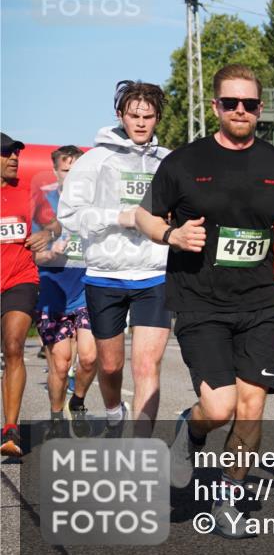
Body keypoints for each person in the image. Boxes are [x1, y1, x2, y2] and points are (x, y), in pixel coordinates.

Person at [136, 64, 274, 538]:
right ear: (216, 106)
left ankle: (227, 497)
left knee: (252, 406)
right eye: (231, 103)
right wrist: (171, 234)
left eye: (250, 104)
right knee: (218, 409)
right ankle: (191, 430)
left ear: (260, 109)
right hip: (200, 300)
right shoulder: (184, 161)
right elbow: (144, 216)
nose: (241, 111)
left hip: (259, 302)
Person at [58, 81, 172, 438]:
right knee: (109, 366)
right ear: (120, 115)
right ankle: (112, 411)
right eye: (134, 115)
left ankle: (139, 451)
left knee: (146, 365)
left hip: (154, 275)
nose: (140, 123)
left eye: (148, 116)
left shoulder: (168, 162)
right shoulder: (95, 160)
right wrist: (121, 216)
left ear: (157, 118)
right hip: (105, 275)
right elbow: (70, 214)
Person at [1, 132, 60, 456]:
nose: (13, 158)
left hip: (20, 280)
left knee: (13, 346)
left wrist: (45, 234)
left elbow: (55, 226)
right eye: (6, 153)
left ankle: (10, 429)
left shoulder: (26, 193)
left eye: (16, 153)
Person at [33, 146, 97, 438]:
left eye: (77, 171)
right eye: (66, 170)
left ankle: (79, 402)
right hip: (53, 292)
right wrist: (51, 253)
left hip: (87, 291)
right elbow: (34, 256)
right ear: (56, 172)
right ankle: (57, 417)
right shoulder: (44, 205)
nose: (71, 177)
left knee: (89, 357)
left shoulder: (93, 205)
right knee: (60, 364)